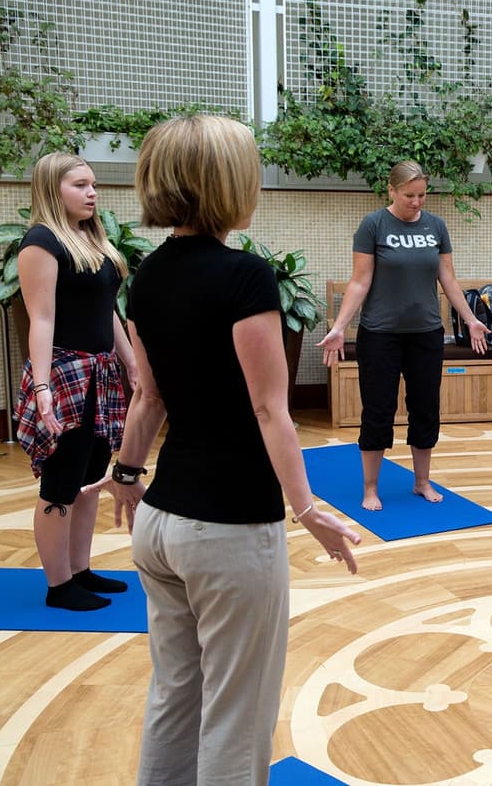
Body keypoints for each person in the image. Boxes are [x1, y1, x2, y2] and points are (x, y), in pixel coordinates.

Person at [102, 115, 362, 785]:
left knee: (175, 696)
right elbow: (270, 406)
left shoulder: (147, 276)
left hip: (159, 526)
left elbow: (149, 398)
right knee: (236, 716)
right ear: (225, 183)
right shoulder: (245, 277)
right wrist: (306, 509)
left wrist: (127, 473)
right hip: (227, 532)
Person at [318, 160, 488, 511]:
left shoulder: (436, 226)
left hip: (425, 334)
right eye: (409, 195)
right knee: (378, 411)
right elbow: (360, 281)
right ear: (391, 190)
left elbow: (448, 280)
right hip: (380, 335)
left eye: (422, 195)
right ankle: (370, 488)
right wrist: (339, 327)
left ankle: (422, 482)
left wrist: (470, 319)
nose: (417, 202)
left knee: (425, 409)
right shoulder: (373, 225)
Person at [13, 153, 136, 611]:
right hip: (67, 375)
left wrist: (132, 364)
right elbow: (41, 319)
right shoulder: (41, 242)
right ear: (53, 189)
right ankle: (59, 585)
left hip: (101, 373)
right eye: (80, 185)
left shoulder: (90, 238)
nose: (92, 193)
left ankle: (80, 570)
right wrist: (42, 388)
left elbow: (106, 309)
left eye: (93, 184)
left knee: (90, 478)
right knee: (61, 482)